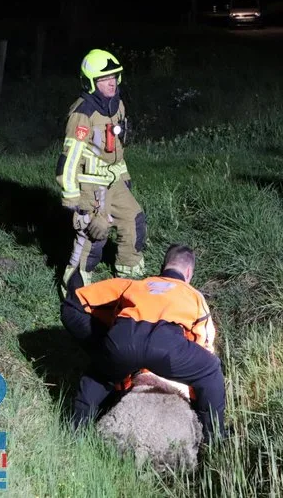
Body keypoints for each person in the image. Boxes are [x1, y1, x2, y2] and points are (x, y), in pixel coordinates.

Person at [59, 244, 226, 443]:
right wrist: (192, 391)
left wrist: (102, 343)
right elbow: (204, 343)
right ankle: (214, 437)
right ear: (189, 272)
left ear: (162, 266)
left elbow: (72, 305)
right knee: (210, 370)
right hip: (167, 347)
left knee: (101, 374)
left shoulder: (134, 285)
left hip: (124, 340)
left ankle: (75, 434)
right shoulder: (193, 296)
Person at [55, 48, 147, 294]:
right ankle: (76, 292)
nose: (112, 83)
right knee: (95, 234)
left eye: (114, 77)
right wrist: (73, 201)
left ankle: (130, 280)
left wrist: (124, 177)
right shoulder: (82, 114)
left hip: (113, 181)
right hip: (89, 186)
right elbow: (69, 160)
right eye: (104, 79)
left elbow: (117, 148)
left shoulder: (118, 106)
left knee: (134, 219)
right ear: (91, 83)